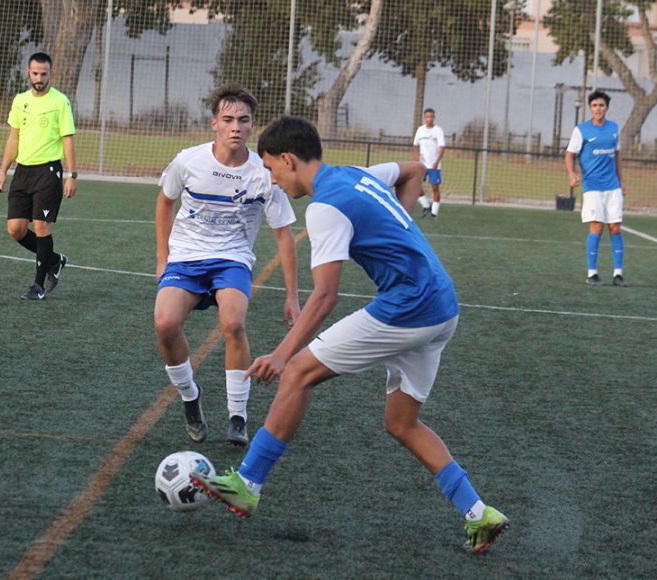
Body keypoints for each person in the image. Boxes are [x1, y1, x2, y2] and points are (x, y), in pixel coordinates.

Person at [191, 116, 509, 554]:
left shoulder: (324, 209)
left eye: (271, 168)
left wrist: (282, 354)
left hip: (409, 307)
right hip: (443, 307)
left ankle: (247, 483)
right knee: (401, 423)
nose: (272, 179)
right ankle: (479, 513)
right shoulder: (358, 173)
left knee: (297, 372)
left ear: (288, 159)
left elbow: (325, 295)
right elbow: (416, 170)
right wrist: (398, 225)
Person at [154, 84, 300, 447]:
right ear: (214, 124)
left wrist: (292, 296)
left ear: (253, 125)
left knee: (233, 322)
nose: (236, 127)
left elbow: (284, 235)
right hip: (186, 256)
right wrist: (163, 259)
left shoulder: (264, 173)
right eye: (228, 119)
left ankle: (238, 415)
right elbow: (165, 202)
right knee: (165, 323)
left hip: (232, 258)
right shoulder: (189, 161)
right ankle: (190, 397)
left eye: (243, 120)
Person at [0, 52, 77, 300]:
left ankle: (38, 287)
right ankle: (55, 260)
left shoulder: (60, 102)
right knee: (16, 229)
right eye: (35, 73)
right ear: (28, 73)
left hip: (48, 172)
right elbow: (13, 138)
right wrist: (3, 171)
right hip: (23, 171)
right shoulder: (20, 101)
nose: (39, 78)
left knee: (41, 225)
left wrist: (72, 175)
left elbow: (68, 139)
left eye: (43, 74)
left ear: (50, 74)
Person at [565, 90, 628, 287]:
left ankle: (618, 274)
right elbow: (569, 155)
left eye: (601, 105)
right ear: (590, 108)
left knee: (615, 227)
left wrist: (621, 181)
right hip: (592, 186)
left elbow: (617, 156)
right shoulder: (581, 130)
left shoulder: (614, 128)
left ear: (606, 108)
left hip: (612, 186)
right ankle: (592, 273)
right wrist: (572, 173)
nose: (598, 109)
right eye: (594, 106)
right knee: (597, 227)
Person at [412, 108, 446, 218]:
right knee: (416, 185)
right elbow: (415, 146)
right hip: (422, 165)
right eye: (427, 117)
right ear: (424, 117)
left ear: (434, 117)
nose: (429, 119)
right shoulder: (420, 130)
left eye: (431, 117)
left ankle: (434, 213)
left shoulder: (438, 131)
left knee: (435, 188)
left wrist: (437, 162)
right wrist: (417, 159)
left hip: (434, 166)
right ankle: (426, 205)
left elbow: (442, 147)